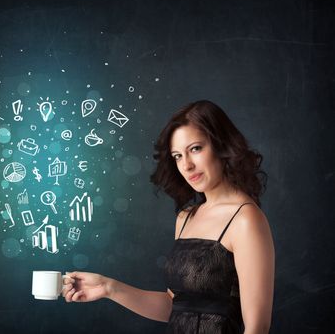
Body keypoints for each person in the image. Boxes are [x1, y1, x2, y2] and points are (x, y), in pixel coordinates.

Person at [63, 100, 275, 334]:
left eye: (195, 149)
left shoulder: (246, 219)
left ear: (221, 145)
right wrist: (107, 287)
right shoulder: (185, 218)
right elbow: (174, 306)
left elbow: (257, 328)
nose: (187, 165)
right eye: (177, 156)